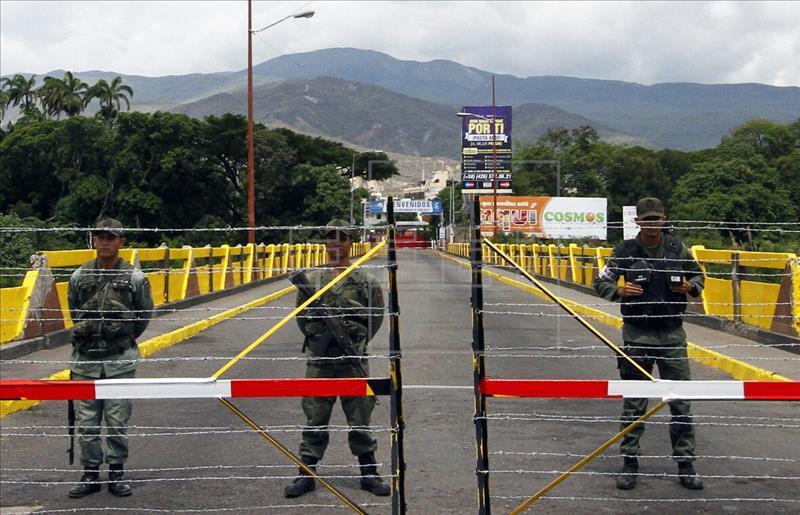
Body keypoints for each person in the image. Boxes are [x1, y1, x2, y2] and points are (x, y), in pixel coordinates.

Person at [593, 198, 705, 491]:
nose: (653, 224)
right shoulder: (626, 251)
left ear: (664, 220)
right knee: (634, 403)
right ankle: (630, 462)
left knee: (680, 402)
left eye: (657, 219)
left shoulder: (676, 249)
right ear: (638, 221)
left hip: (671, 335)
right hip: (637, 334)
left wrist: (690, 287)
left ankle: (685, 464)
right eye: (647, 219)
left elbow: (698, 276)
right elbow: (600, 281)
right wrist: (618, 290)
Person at [284, 219, 389, 498]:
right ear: (325, 242)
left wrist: (356, 343)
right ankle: (306, 474)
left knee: (360, 417)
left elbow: (375, 318)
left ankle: (369, 472)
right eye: (331, 237)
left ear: (350, 243)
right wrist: (319, 341)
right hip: (320, 361)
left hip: (353, 358)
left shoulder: (365, 280)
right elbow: (302, 316)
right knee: (315, 418)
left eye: (342, 238)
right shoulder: (311, 279)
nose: (336, 243)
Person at [67, 218, 153, 498]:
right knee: (87, 422)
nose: (105, 242)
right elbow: (74, 312)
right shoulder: (79, 276)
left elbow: (143, 315)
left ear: (121, 242)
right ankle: (90, 473)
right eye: (100, 237)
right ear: (93, 240)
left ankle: (116, 472)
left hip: (120, 360)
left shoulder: (135, 278)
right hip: (85, 360)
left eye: (111, 237)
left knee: (117, 420)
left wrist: (122, 336)